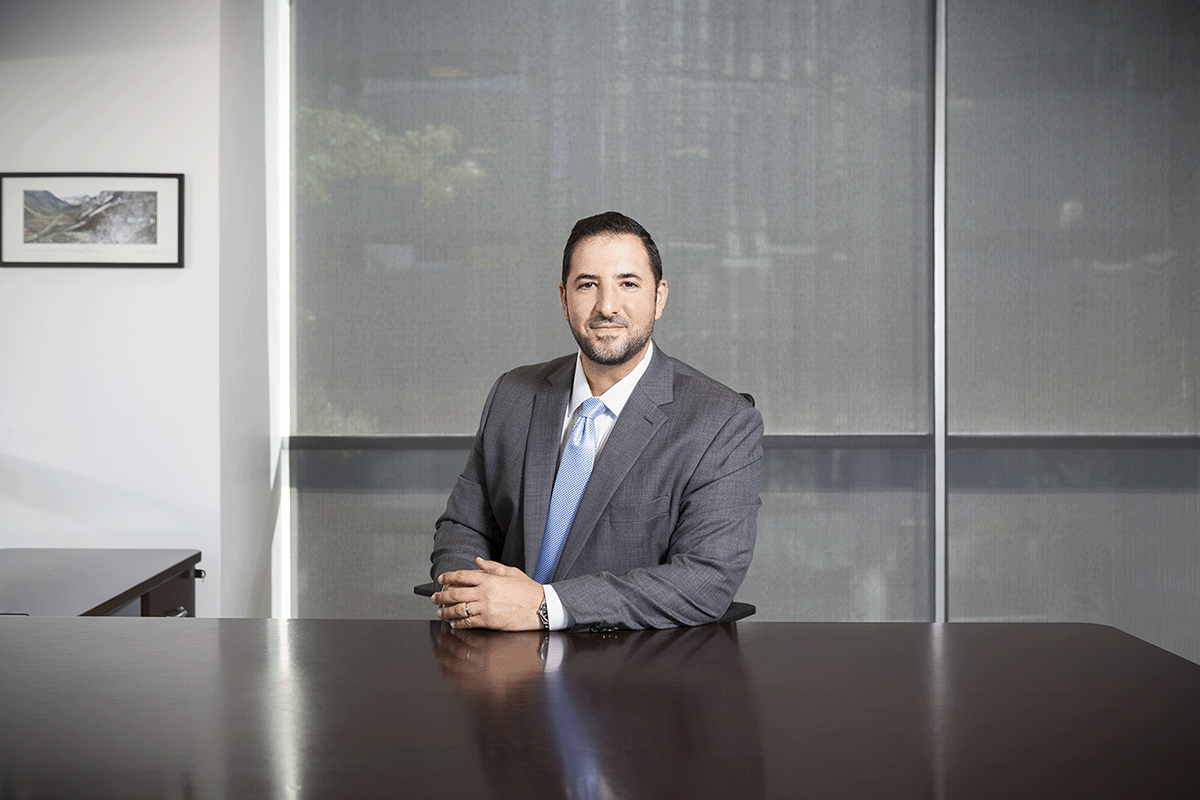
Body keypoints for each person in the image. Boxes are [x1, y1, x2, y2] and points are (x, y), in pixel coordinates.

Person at [430, 211, 762, 631]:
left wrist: (544, 606)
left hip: (631, 661)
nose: (607, 306)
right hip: (498, 652)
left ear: (659, 298)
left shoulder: (722, 422)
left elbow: (706, 579)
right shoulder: (513, 394)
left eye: (628, 284)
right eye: (588, 285)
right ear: (564, 299)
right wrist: (473, 598)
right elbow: (463, 527)